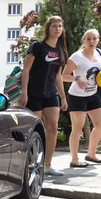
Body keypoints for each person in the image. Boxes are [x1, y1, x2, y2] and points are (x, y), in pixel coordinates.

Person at [19, 15, 68, 177]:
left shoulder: (60, 50)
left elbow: (58, 76)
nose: (58, 29)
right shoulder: (38, 47)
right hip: (34, 93)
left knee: (52, 128)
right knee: (35, 130)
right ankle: (30, 164)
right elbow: (26, 70)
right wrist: (24, 91)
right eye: (54, 26)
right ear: (48, 28)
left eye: (60, 26)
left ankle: (47, 165)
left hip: (51, 94)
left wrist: (63, 96)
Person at [62, 29, 101, 167]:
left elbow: (99, 75)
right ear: (84, 41)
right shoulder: (77, 57)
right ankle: (74, 160)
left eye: (94, 38)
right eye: (88, 39)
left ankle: (91, 155)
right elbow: (63, 75)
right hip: (77, 96)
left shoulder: (100, 53)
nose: (91, 41)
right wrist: (77, 78)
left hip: (93, 94)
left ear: (98, 40)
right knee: (77, 127)